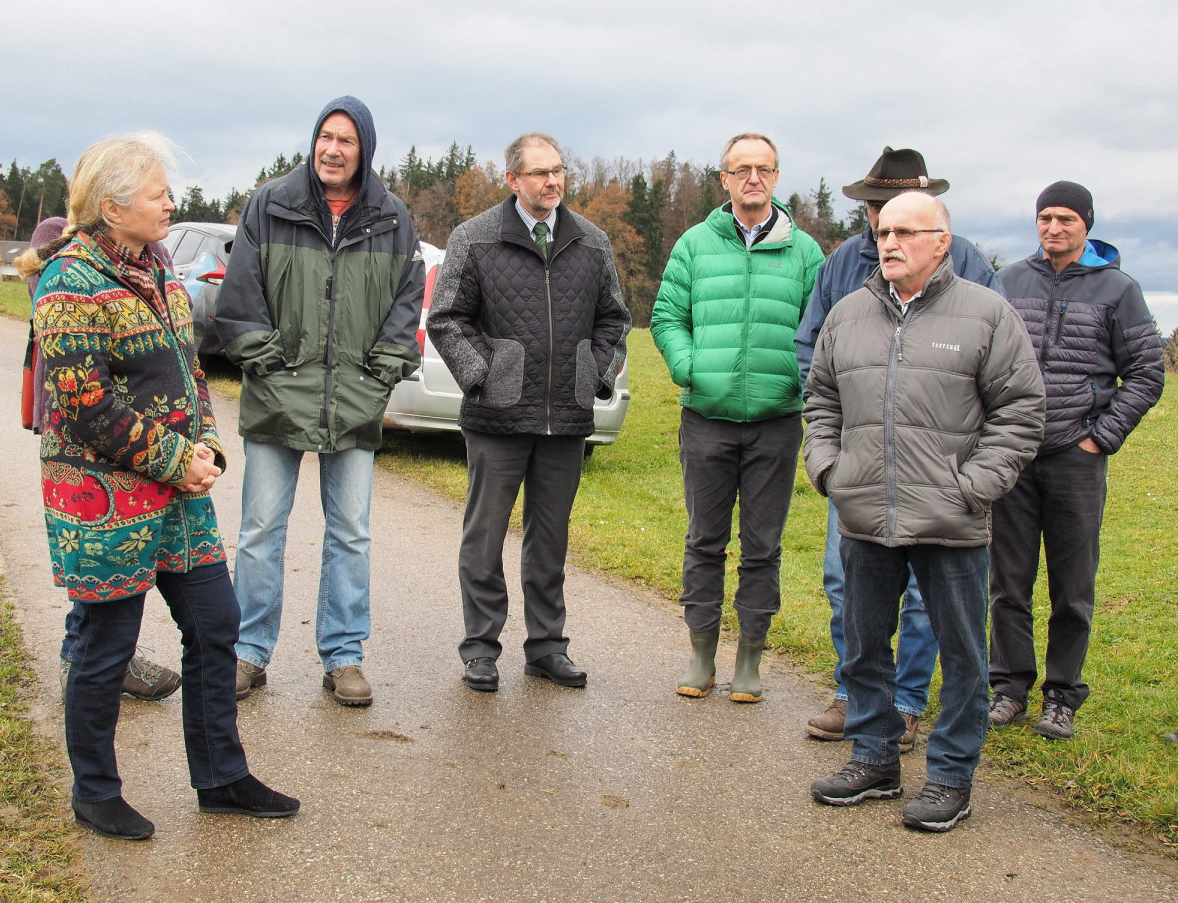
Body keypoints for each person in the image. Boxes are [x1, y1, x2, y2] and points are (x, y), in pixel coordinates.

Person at [19, 133, 298, 841]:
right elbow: (83, 402)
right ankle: (96, 790)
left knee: (216, 622)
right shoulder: (70, 281)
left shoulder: (160, 266)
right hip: (104, 499)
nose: (170, 202)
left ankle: (221, 776)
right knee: (106, 644)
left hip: (177, 492)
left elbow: (189, 368)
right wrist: (179, 457)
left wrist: (202, 439)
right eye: (157, 193)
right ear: (112, 207)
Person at [803, 192, 1044, 832]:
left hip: (951, 521)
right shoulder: (849, 313)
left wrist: (974, 486)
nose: (889, 242)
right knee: (862, 648)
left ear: (942, 241)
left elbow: (1020, 411)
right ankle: (875, 758)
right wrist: (830, 467)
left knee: (963, 656)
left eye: (906, 232)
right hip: (864, 514)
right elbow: (820, 398)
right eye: (884, 232)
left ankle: (949, 778)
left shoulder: (986, 314)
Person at [215, 96, 424, 706]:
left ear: (365, 151)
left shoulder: (392, 219)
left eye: (346, 141)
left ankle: (344, 656)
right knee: (259, 530)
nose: (333, 149)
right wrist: (271, 370)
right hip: (276, 398)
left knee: (352, 533)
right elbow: (239, 304)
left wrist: (378, 377)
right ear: (314, 141)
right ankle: (247, 652)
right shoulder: (270, 204)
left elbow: (405, 307)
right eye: (326, 137)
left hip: (354, 404)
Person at [794, 147, 1003, 751]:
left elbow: (1000, 370)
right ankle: (859, 697)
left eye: (897, 210)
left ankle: (907, 701)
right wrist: (830, 459)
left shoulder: (965, 265)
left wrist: (974, 477)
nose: (884, 223)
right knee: (846, 583)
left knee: (923, 598)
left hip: (941, 471)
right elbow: (814, 350)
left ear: (936, 226)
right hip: (860, 467)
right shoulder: (842, 265)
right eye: (876, 208)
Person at [427, 132, 630, 692]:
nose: (553, 182)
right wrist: (486, 375)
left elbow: (615, 320)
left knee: (551, 540)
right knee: (484, 536)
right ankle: (480, 648)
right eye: (540, 173)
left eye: (559, 171)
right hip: (497, 419)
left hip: (565, 419)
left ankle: (546, 646)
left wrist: (594, 375)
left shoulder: (592, 242)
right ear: (513, 180)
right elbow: (446, 319)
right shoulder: (475, 238)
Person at [650, 133, 824, 702]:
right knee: (704, 539)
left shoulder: (805, 252)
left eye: (765, 169)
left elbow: (821, 330)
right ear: (723, 179)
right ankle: (701, 655)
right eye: (742, 169)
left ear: (777, 178)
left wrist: (799, 383)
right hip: (707, 418)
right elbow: (667, 315)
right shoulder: (696, 245)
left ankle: (750, 657)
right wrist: (689, 367)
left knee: (763, 546)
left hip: (777, 421)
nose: (754, 178)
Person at [988, 181, 1164, 740]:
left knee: (1072, 584)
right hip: (1015, 453)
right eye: (1045, 217)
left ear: (1086, 224)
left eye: (1065, 218)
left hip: (1076, 456)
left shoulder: (1119, 290)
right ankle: (1008, 686)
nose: (1053, 228)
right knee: (1006, 580)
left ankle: (1062, 695)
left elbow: (1147, 373)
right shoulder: (1009, 281)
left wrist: (1101, 437)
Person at [27, 215, 184, 702]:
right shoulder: (59, 242)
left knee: (123, 568)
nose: (168, 204)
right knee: (99, 565)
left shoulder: (151, 251)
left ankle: (106, 659)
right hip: (85, 430)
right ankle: (86, 665)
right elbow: (66, 343)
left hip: (144, 431)